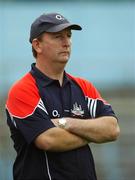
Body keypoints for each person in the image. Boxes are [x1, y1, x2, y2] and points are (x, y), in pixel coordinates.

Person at [5, 12, 120, 180]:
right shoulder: (23, 89)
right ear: (37, 45)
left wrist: (66, 123)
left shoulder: (84, 86)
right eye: (58, 36)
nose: (66, 42)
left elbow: (112, 129)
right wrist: (93, 134)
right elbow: (48, 140)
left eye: (69, 36)